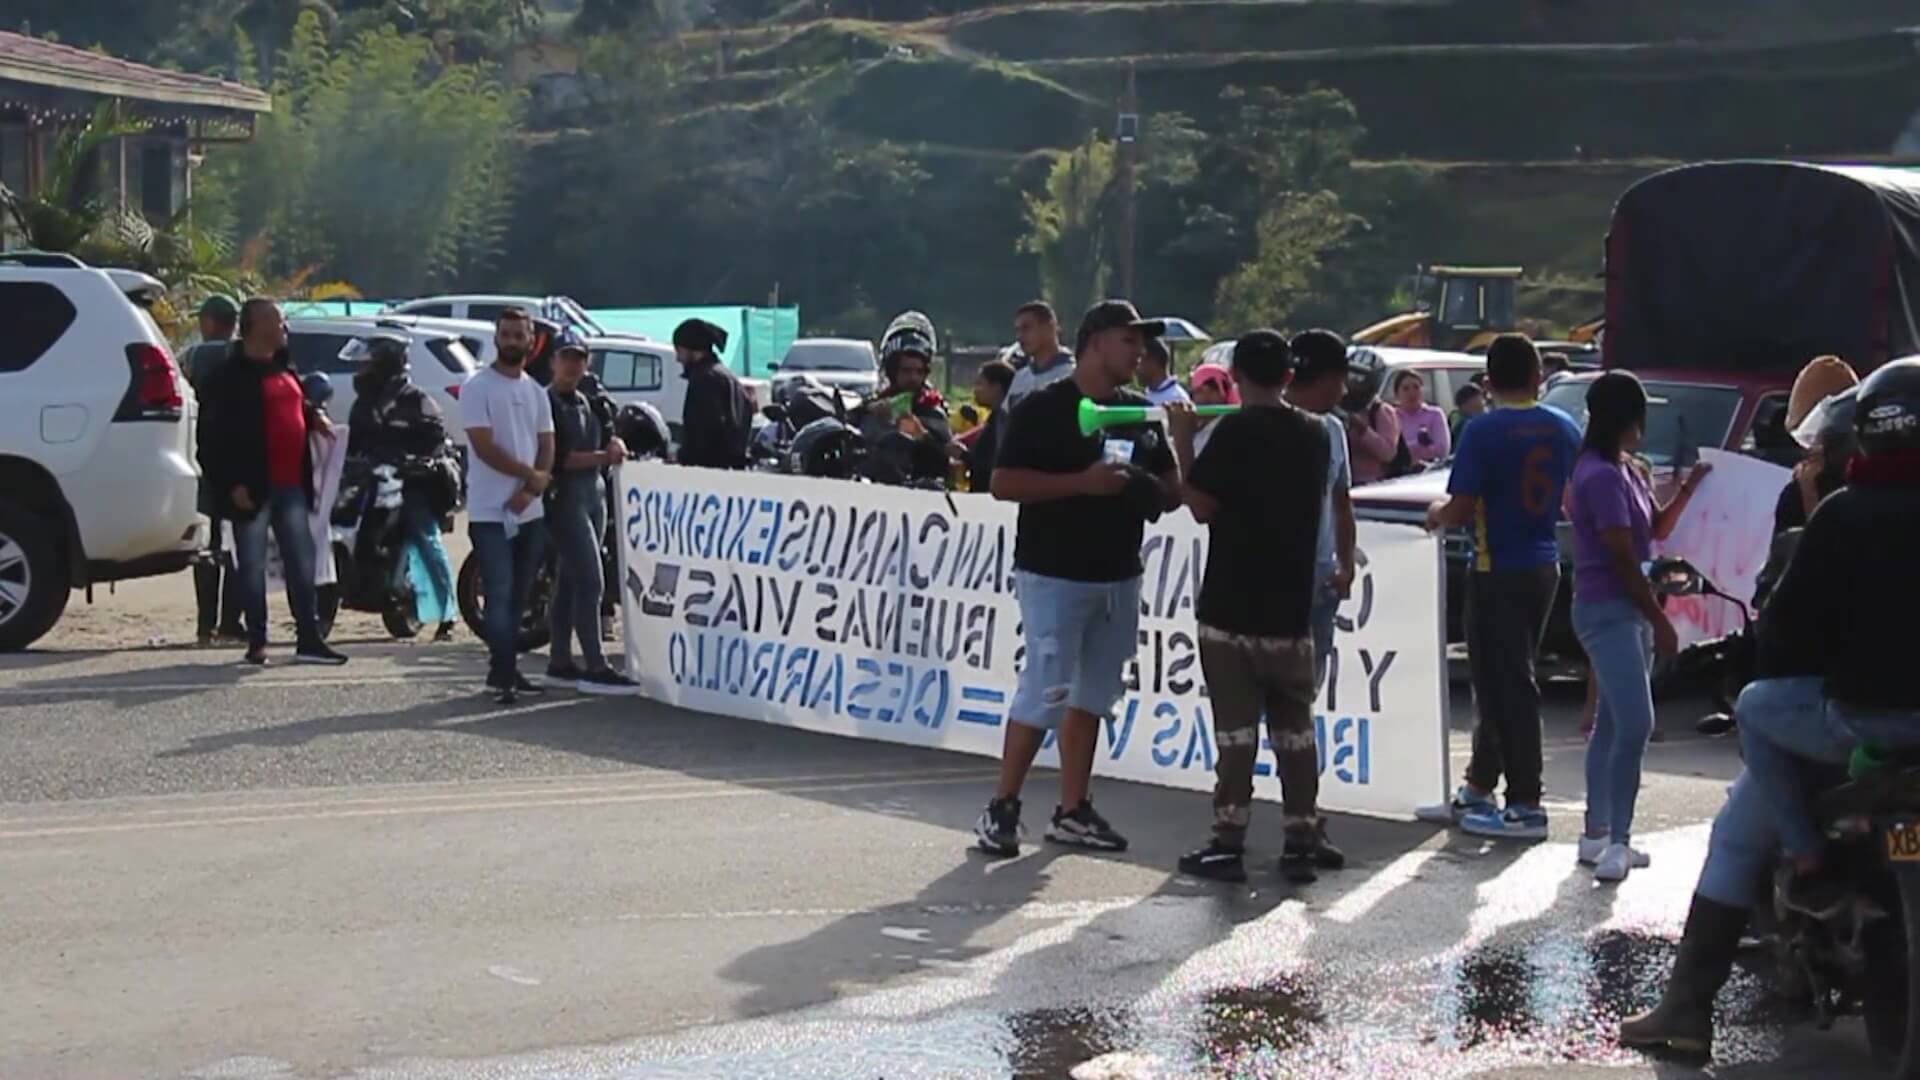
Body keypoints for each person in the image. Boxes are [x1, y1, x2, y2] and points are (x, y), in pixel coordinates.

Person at [1619, 358, 1920, 1057]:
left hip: (1848, 727)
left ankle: (1689, 1011)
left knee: (1738, 821)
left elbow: (1782, 632)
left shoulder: (1839, 514)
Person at [973, 299, 1180, 858]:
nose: (1138, 352)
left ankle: (1072, 808)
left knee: (1093, 695)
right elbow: (1004, 482)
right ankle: (1002, 807)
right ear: (1093, 343)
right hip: (1053, 572)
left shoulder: (1138, 411)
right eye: (1128, 340)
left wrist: (1150, 480)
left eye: (1141, 343)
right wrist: (1082, 484)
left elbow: (1172, 491)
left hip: (1117, 573)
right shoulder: (1043, 407)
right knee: (1045, 690)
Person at [1168, 331, 1338, 884]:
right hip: (1291, 606)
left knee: (1237, 733)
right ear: (1288, 376)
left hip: (1233, 603)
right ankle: (1301, 836)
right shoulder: (1315, 434)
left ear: (1235, 377)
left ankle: (1229, 837)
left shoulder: (1236, 430)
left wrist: (1184, 442)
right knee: (1296, 731)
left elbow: (1200, 506)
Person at [1417, 335, 1581, 840]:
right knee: (1500, 679)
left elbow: (1461, 507)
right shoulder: (1563, 426)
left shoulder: (1482, 431)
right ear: (1538, 378)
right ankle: (1479, 786)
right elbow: (1574, 496)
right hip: (1543, 563)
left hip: (1495, 568)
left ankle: (1527, 801)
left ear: (1487, 383)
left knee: (1507, 685)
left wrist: (1435, 516)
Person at [1568, 371, 1710, 882]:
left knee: (1612, 722)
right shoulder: (1600, 475)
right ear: (1626, 417)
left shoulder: (1625, 469)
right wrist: (1660, 619)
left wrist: (1690, 486)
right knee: (1635, 722)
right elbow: (1623, 559)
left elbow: (1655, 529)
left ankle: (1597, 831)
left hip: (1626, 609)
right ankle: (1619, 841)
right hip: (1610, 608)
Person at [195, 298, 347, 667]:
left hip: (292, 483)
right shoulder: (228, 378)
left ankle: (309, 639)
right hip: (252, 488)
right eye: (278, 322)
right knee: (251, 566)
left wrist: (314, 418)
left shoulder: (284, 366)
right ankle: (257, 640)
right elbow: (210, 439)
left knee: (301, 561)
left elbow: (294, 406)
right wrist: (232, 484)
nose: (284, 328)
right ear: (258, 326)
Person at [465, 308, 557, 705]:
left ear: (531, 340)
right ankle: (503, 674)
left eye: (519, 334)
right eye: (506, 334)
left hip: (529, 511)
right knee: (499, 593)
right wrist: (527, 475)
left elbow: (547, 442)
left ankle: (504, 668)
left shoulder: (535, 391)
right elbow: (483, 445)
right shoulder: (477, 386)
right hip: (490, 511)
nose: (512, 340)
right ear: (496, 338)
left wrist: (532, 489)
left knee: (521, 595)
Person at [346, 333, 458, 642]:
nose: (361, 371)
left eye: (366, 365)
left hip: (411, 484)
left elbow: (436, 439)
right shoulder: (364, 403)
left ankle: (445, 612)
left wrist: (418, 460)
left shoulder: (416, 400)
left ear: (385, 364)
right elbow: (352, 444)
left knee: (424, 534)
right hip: (371, 481)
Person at [545, 334, 637, 694]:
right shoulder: (546, 402)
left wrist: (615, 442)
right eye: (566, 357)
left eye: (579, 358)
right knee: (590, 579)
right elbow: (558, 458)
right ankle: (595, 662)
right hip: (566, 495)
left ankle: (560, 659)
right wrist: (603, 457)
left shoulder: (589, 401)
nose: (573, 365)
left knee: (568, 581)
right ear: (553, 361)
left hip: (593, 493)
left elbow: (611, 433)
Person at [1283, 330, 1358, 690]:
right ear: (1326, 379)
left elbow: (1342, 503)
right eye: (1340, 381)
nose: (1343, 393)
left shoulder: (1333, 430)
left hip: (1320, 584)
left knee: (1304, 693)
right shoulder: (1260, 424)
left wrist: (1345, 564)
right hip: (1270, 587)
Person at [184, 295, 243, 645]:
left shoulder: (198, 355)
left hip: (203, 455)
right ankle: (231, 622)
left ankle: (205, 624)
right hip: (239, 460)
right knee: (235, 544)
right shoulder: (244, 356)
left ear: (211, 321)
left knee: (208, 546)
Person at [675, 318, 753, 470]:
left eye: (679, 351)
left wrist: (683, 458)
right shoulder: (730, 378)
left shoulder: (704, 380)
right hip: (733, 473)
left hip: (708, 474)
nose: (678, 358)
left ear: (693, 349)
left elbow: (702, 434)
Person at [952, 358, 1015, 493]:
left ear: (996, 387)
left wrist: (963, 455)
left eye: (980, 384)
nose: (975, 390)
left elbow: (991, 464)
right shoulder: (995, 418)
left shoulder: (1004, 421)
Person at [1343, 350, 1402, 484]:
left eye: (1359, 379)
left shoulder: (1380, 411)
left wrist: (1362, 429)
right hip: (1339, 482)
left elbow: (1388, 453)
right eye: (1350, 376)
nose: (1353, 383)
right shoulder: (1336, 405)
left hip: (1370, 483)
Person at [1390, 369, 1451, 465]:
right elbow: (1390, 452)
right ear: (1397, 394)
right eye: (1405, 388)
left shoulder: (1435, 414)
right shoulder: (1391, 416)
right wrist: (1420, 445)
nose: (1412, 393)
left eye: (1416, 387)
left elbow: (1442, 449)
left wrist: (1408, 449)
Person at [1188, 363, 1239, 456]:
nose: (1205, 397)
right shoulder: (1191, 427)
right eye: (1199, 391)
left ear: (1225, 391)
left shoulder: (1233, 428)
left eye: (1212, 391)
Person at [1140, 337, 1189, 406]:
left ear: (1153, 361)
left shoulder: (1177, 399)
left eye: (1140, 361)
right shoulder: (1145, 395)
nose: (1136, 368)